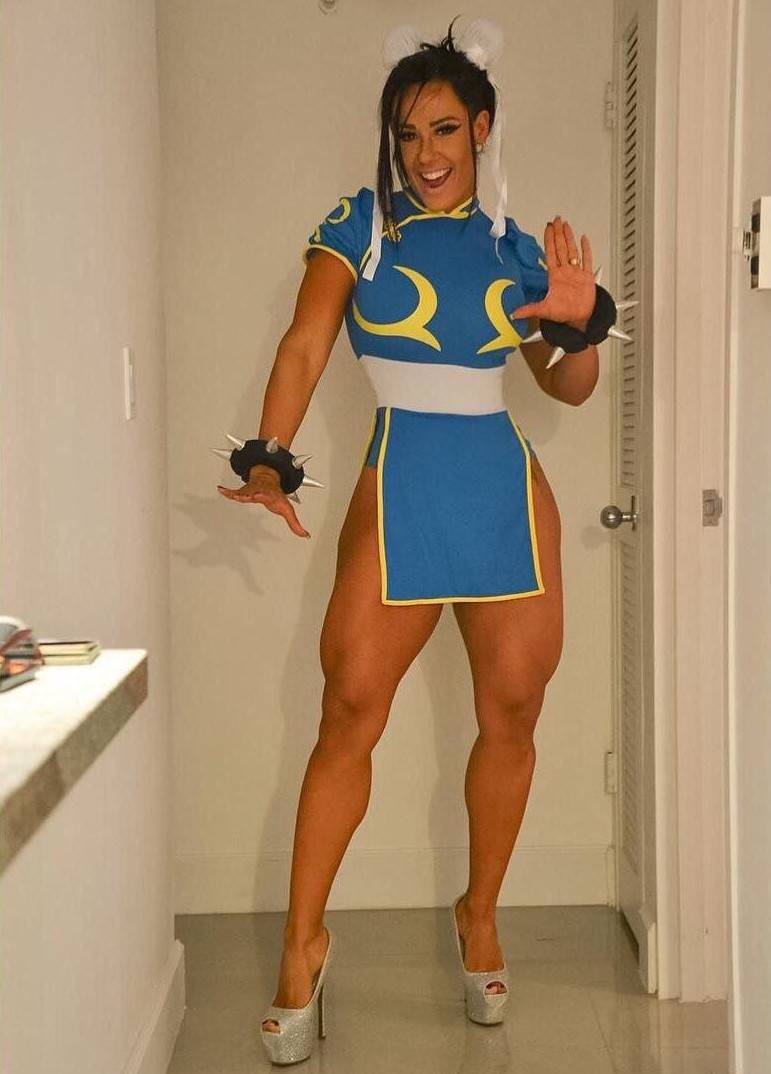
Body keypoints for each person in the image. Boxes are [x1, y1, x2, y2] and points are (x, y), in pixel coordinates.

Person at [217, 17, 607, 1066]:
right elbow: (306, 341)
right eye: (405, 133)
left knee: (512, 711)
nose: (423, 154)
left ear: (480, 127)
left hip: (502, 493)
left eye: (441, 129)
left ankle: (479, 915)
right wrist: (269, 453)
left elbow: (567, 386)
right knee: (347, 712)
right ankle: (302, 948)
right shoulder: (358, 226)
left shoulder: (515, 247)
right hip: (400, 488)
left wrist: (574, 325)